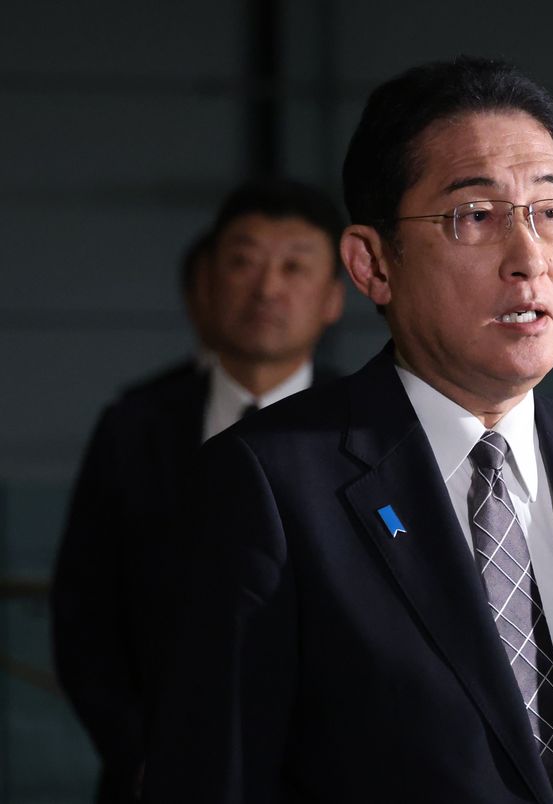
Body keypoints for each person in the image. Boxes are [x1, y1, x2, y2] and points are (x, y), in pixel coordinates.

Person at [142, 57, 553, 804]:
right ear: (373, 264)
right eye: (475, 216)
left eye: (550, 212)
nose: (529, 260)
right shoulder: (271, 484)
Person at [51, 178, 346, 804]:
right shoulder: (135, 427)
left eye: (295, 266)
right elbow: (83, 612)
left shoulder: (369, 432)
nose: (267, 288)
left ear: (333, 298)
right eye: (243, 262)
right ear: (206, 281)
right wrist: (140, 757)